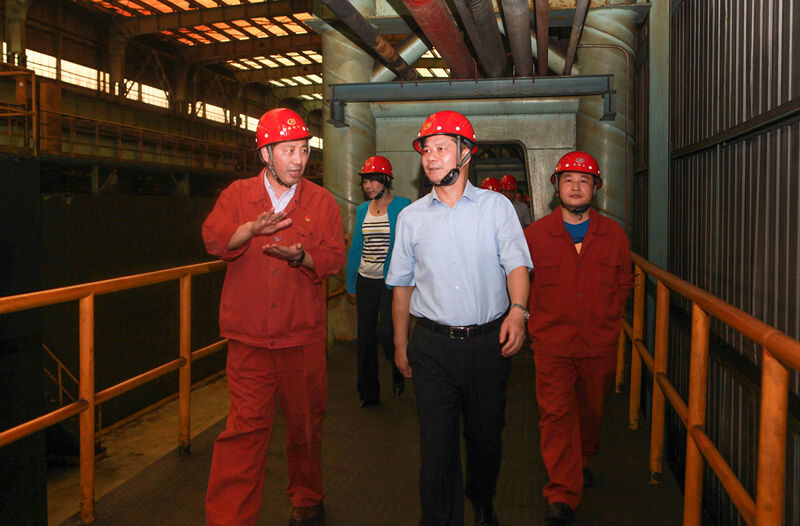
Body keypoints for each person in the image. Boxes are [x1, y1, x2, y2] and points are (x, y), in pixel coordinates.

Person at [387, 110, 532, 526]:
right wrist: (400, 344)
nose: (431, 157)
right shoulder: (411, 217)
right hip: (432, 347)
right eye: (426, 150)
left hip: (488, 346)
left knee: (486, 438)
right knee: (436, 448)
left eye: (441, 148)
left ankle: (482, 499)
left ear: (466, 153)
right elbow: (402, 287)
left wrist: (518, 312)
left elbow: (517, 265)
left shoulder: (496, 207)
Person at [202, 108, 345, 526]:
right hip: (249, 341)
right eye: (288, 150)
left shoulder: (321, 202)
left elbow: (333, 258)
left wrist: (302, 257)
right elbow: (214, 239)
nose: (299, 160)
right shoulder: (237, 196)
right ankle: (228, 520)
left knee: (305, 426)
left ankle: (307, 497)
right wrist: (249, 230)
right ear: (266, 153)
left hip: (301, 337)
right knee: (243, 432)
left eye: (303, 150)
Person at [524, 151, 633, 525]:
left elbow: (624, 282)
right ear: (556, 187)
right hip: (551, 345)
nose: (575, 186)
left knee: (591, 411)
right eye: (568, 180)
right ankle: (562, 493)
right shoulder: (535, 236)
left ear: (595, 189)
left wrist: (609, 315)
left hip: (598, 344)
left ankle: (582, 457)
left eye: (583, 180)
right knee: (556, 415)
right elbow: (522, 283)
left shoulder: (614, 235)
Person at [346, 155, 411, 407]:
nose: (369, 186)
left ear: (386, 180)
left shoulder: (403, 206)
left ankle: (398, 365)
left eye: (373, 180)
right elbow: (356, 247)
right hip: (366, 280)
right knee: (365, 338)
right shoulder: (362, 210)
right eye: (365, 181)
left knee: (386, 332)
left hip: (391, 282)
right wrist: (351, 283)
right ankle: (368, 393)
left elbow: (408, 245)